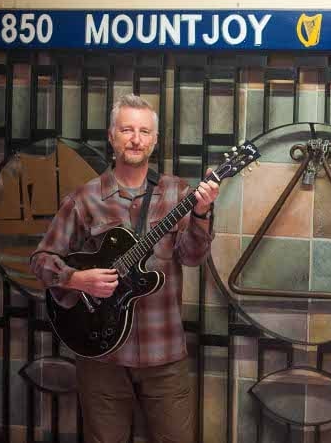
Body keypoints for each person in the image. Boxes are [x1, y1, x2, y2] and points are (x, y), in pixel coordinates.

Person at [30, 94, 218, 443]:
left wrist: (202, 214)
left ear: (155, 140)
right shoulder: (83, 199)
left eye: (144, 131)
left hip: (164, 351)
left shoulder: (178, 193)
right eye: (127, 130)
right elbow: (40, 261)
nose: (136, 139)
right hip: (101, 353)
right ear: (112, 136)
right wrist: (76, 279)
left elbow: (192, 257)